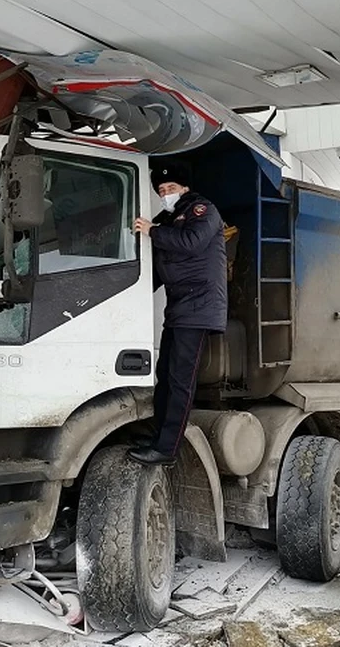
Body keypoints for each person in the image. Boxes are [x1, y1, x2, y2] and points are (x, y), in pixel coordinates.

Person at [128, 163, 227, 466]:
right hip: (180, 308)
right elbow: (158, 265)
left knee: (181, 381)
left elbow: (191, 243)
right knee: (166, 377)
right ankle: (159, 437)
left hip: (198, 308)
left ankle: (168, 450)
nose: (165, 194)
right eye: (161, 190)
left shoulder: (202, 210)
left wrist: (153, 231)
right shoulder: (168, 219)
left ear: (184, 188)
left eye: (170, 188)